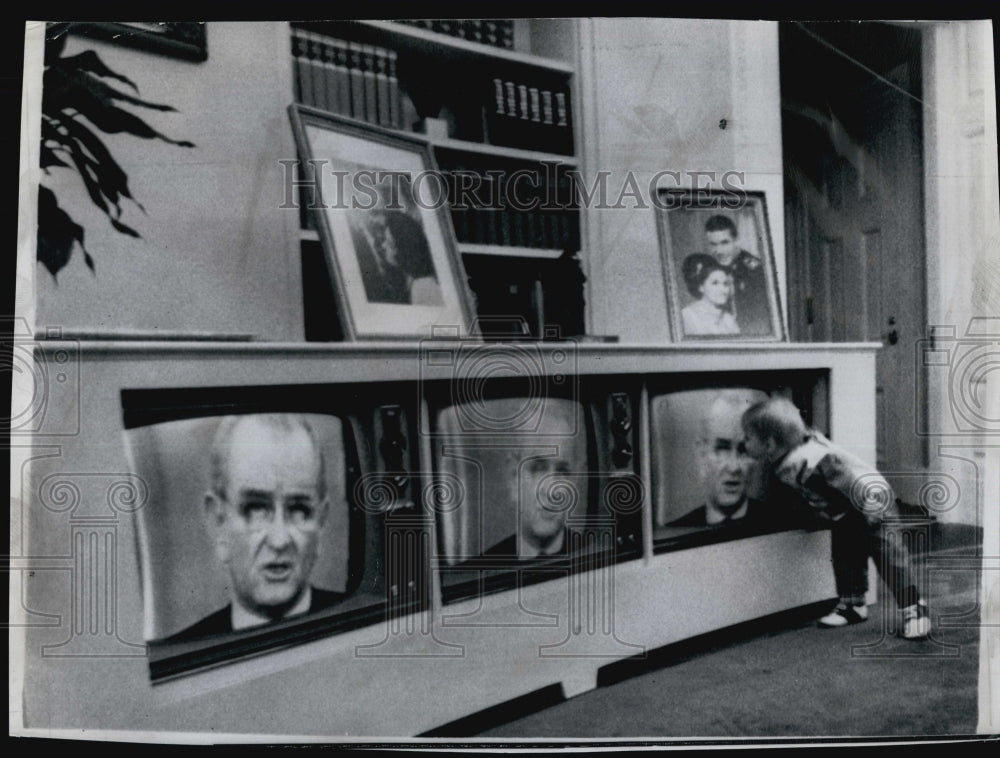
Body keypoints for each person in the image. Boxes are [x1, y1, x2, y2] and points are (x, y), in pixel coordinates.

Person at [741, 396, 931, 639]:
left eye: (747, 438)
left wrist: (872, 511)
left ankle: (915, 608)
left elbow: (849, 483)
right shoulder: (784, 459)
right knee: (845, 554)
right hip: (845, 512)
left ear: (769, 444)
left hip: (872, 501)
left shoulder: (815, 459)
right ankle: (853, 604)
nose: (743, 444)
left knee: (888, 555)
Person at [167, 414, 343, 641]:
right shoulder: (182, 655)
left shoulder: (366, 628)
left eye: (300, 510)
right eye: (255, 510)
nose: (279, 540)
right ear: (218, 523)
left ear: (321, 523)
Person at [665, 391, 773, 528]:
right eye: (722, 449)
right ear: (701, 455)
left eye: (744, 450)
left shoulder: (779, 524)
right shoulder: (677, 529)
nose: (733, 468)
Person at [349, 184, 443, 306]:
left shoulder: (422, 287)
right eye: (371, 213)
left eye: (376, 213)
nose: (383, 246)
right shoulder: (363, 239)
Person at [703, 215, 771, 336]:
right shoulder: (709, 270)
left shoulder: (756, 271)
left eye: (724, 243)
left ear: (737, 241)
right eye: (713, 244)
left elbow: (763, 320)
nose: (719, 251)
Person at [680, 253, 740, 336]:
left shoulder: (728, 319)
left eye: (725, 284)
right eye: (715, 283)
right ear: (701, 287)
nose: (723, 290)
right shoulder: (687, 317)